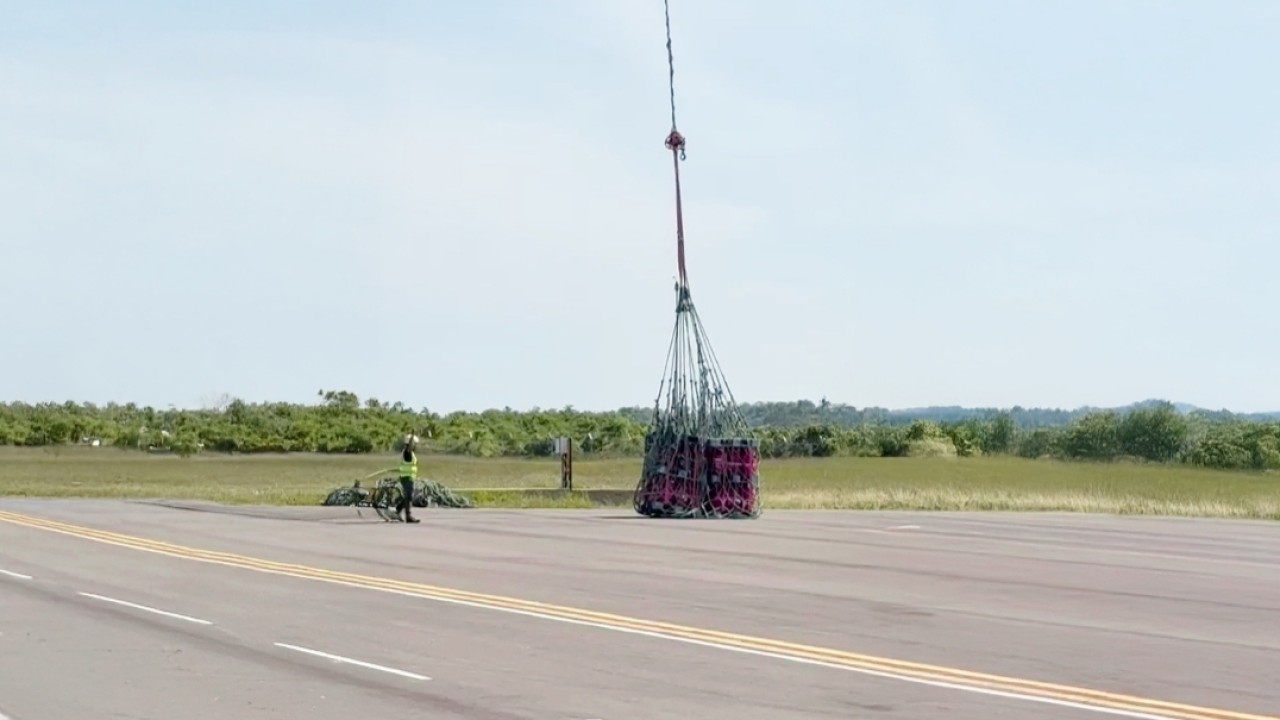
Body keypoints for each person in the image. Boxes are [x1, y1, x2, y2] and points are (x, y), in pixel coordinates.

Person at [397, 434, 421, 523]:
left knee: (408, 496)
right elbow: (409, 449)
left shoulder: (409, 453)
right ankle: (408, 515)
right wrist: (411, 442)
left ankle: (398, 509)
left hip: (408, 477)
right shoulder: (408, 452)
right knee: (409, 496)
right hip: (407, 478)